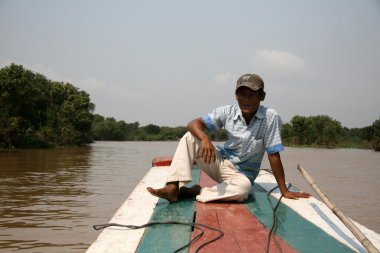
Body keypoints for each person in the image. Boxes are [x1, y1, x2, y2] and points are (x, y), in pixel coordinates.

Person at [147, 73, 310, 203]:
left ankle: (197, 192)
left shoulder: (270, 117)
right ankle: (173, 187)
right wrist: (204, 138)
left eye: (252, 94)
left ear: (262, 96)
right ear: (236, 96)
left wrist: (284, 190)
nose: (246, 99)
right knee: (190, 137)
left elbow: (273, 155)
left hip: (242, 174)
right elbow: (193, 123)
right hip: (220, 162)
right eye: (242, 94)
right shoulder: (228, 111)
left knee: (243, 189)